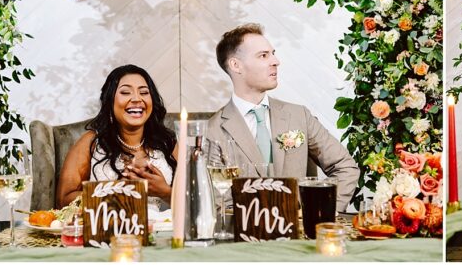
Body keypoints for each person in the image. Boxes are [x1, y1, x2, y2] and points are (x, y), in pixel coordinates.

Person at [206, 23, 359, 212]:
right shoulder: (213, 130)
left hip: (301, 237)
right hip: (246, 237)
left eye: (273, 53)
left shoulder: (299, 116)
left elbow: (345, 166)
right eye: (263, 55)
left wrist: (321, 212)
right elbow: (218, 202)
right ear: (236, 65)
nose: (276, 61)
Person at [57, 64, 178, 208]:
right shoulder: (91, 142)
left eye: (144, 92)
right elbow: (63, 200)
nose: (137, 99)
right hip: (110, 229)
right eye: (126, 92)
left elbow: (195, 202)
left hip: (161, 229)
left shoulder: (167, 143)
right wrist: (116, 192)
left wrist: (165, 192)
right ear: (110, 101)